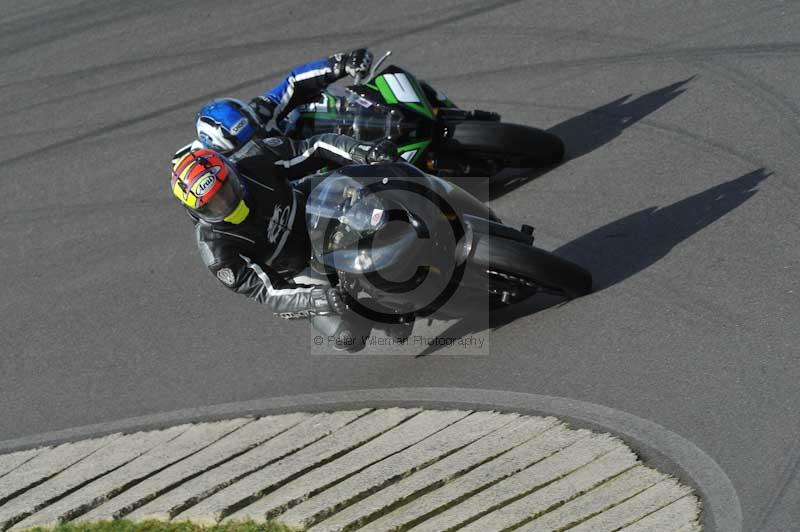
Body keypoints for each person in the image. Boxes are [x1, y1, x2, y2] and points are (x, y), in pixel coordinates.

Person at [170, 133, 398, 351]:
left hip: (314, 207)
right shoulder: (216, 251)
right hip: (296, 269)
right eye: (213, 205)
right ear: (195, 211)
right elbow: (268, 293)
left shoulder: (255, 159)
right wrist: (317, 299)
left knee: (380, 178)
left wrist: (362, 151)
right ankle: (384, 315)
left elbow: (313, 147)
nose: (225, 203)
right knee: (348, 337)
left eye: (226, 190)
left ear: (232, 172)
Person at [173, 49, 374, 162]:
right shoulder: (226, 177)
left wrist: (340, 64)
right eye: (247, 143)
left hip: (303, 150)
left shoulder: (260, 112)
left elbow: (294, 82)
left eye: (254, 132)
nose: (257, 141)